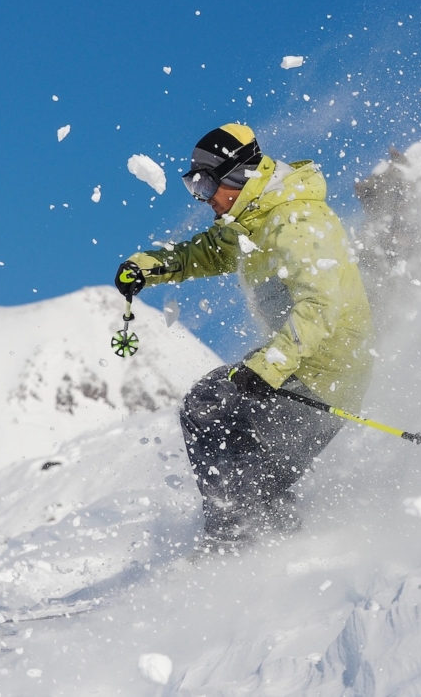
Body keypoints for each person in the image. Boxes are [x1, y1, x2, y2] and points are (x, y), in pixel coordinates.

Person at [114, 124, 375, 550]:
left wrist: (269, 366)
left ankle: (247, 539)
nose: (202, 197)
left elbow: (321, 304)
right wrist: (148, 267)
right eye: (193, 186)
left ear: (238, 174)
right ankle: (259, 529)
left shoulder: (295, 219)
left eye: (205, 184)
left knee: (217, 413)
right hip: (300, 362)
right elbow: (210, 252)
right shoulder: (252, 218)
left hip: (329, 371)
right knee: (212, 408)